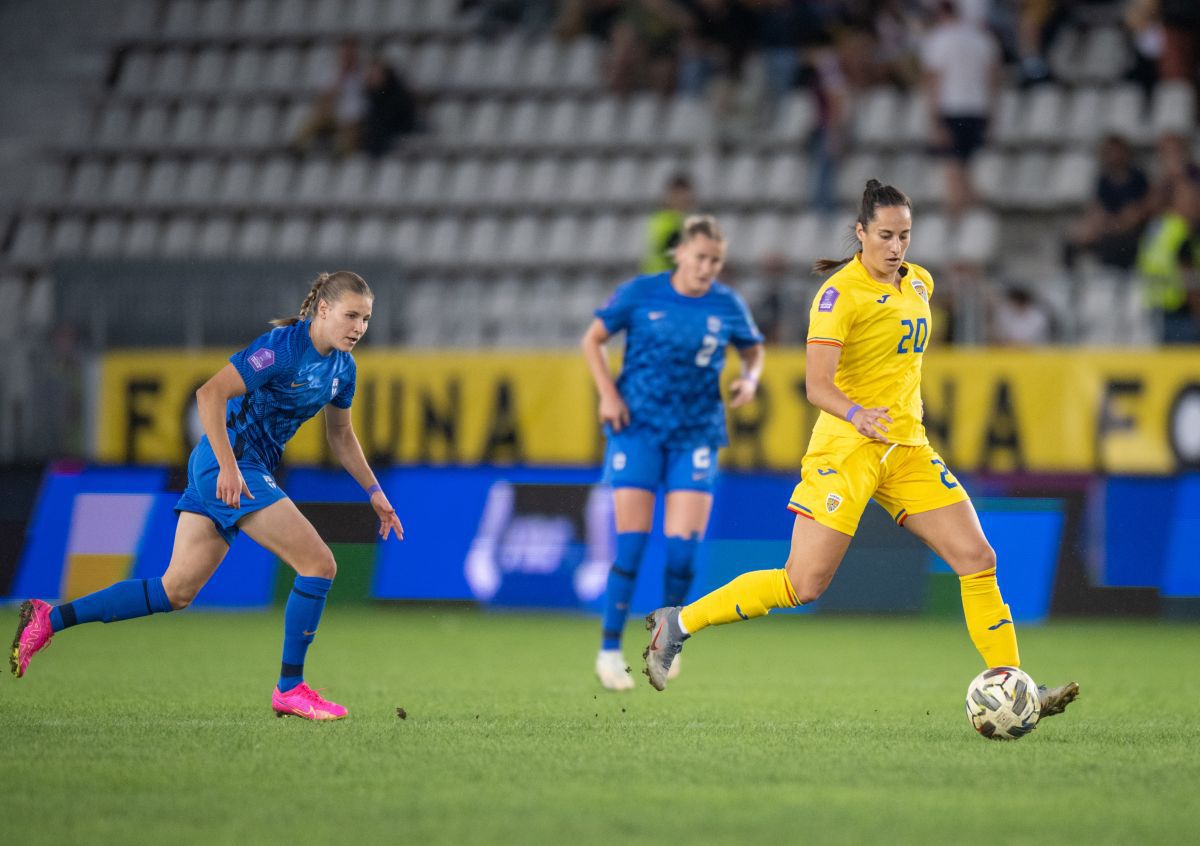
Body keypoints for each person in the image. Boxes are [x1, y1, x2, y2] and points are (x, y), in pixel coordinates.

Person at [641, 181, 1080, 726]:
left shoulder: (919, 282)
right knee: (802, 584)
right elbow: (816, 386)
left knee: (978, 559)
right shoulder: (837, 296)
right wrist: (857, 414)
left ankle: (1014, 686)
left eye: (905, 236)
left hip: (907, 449)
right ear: (861, 233)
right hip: (846, 449)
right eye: (886, 235)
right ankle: (676, 625)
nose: (897, 247)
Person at [10, 271, 403, 721]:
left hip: (232, 467)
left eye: (367, 319)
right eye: (351, 315)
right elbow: (209, 394)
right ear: (324, 309)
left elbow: (342, 436)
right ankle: (290, 688)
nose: (359, 327)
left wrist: (374, 491)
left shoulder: (342, 369)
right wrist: (231, 467)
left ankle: (48, 618)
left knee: (175, 590)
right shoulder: (281, 348)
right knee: (319, 564)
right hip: (228, 463)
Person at [582, 214, 765, 691]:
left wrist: (750, 378)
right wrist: (607, 393)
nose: (707, 268)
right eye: (701, 257)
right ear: (680, 253)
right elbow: (593, 340)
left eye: (716, 261)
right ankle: (608, 649)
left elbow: (752, 351)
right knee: (633, 545)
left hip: (696, 434)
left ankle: (665, 641)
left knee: (683, 553)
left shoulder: (726, 305)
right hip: (637, 429)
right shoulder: (641, 293)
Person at [921, 0, 1002, 217]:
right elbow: (993, 82)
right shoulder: (984, 39)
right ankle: (975, 214)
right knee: (965, 169)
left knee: (953, 172)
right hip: (978, 110)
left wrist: (934, 121)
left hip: (951, 108)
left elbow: (934, 81)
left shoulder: (939, 39)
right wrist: (992, 116)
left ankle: (956, 221)